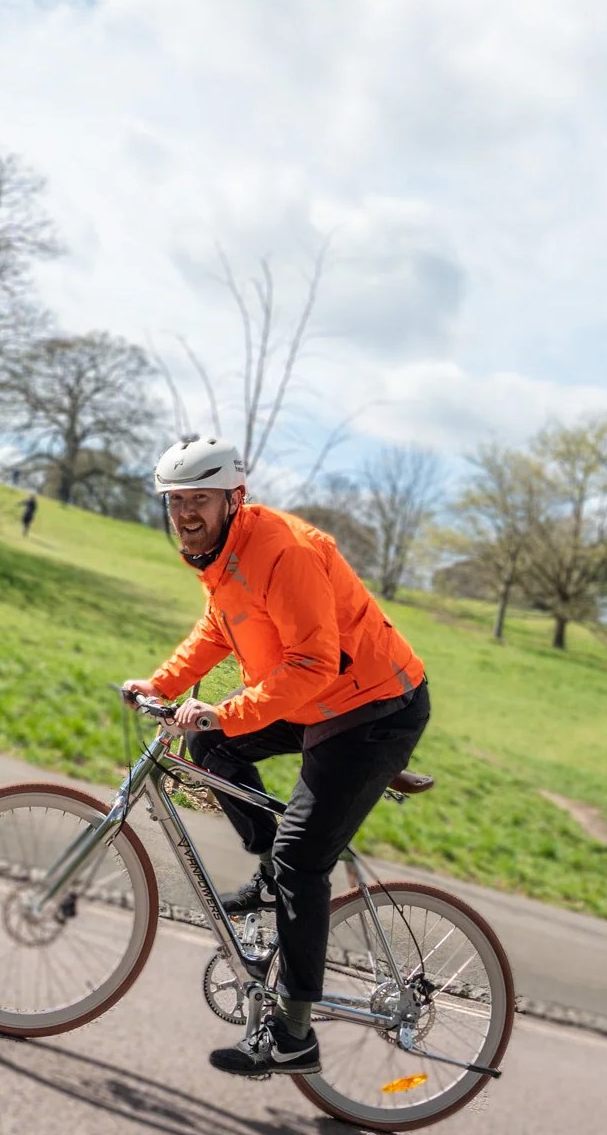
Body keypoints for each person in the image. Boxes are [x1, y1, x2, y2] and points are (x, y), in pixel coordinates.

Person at [119, 434, 429, 1079]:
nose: (184, 514)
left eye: (198, 500)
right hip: (314, 701)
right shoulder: (221, 556)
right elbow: (217, 630)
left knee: (300, 859)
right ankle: (274, 868)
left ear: (235, 498)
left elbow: (314, 663)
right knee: (208, 744)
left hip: (371, 709)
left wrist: (226, 710)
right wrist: (163, 686)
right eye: (175, 502)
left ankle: (293, 1034)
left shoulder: (280, 551)